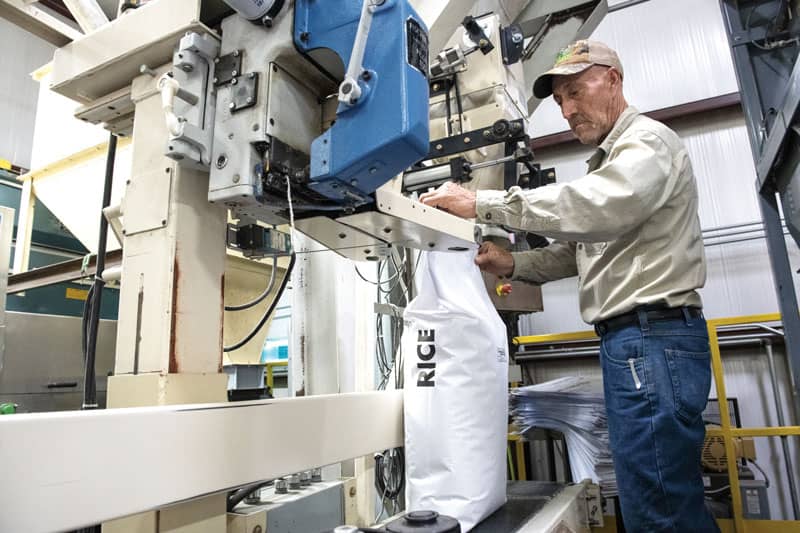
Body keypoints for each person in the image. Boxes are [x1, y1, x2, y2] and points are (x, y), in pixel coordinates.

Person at [419, 40, 719, 533]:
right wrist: (512, 263)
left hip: (651, 339)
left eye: (577, 92)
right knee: (658, 493)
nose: (568, 110)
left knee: (658, 506)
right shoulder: (611, 161)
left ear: (614, 80)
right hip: (637, 344)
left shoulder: (646, 143)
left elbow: (596, 207)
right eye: (560, 101)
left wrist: (481, 203)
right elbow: (580, 251)